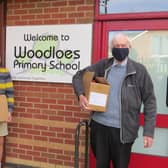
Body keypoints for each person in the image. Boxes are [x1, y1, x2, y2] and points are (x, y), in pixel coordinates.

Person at [72, 33, 157, 168]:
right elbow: (78, 76)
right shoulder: (103, 66)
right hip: (99, 127)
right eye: (116, 46)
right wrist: (81, 95)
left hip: (124, 131)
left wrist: (148, 132)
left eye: (123, 46)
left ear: (129, 47)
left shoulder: (139, 71)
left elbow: (150, 102)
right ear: (112, 48)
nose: (120, 48)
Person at [0, 66, 14, 168]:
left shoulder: (4, 72)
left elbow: (10, 92)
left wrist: (9, 111)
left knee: (0, 141)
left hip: (1, 109)